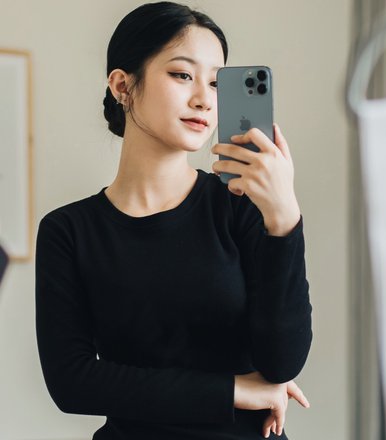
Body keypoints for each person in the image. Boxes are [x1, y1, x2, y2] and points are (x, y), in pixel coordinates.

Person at [34, 2, 313, 439]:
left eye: (216, 82)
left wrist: (284, 217)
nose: (204, 98)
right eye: (182, 75)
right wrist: (231, 391)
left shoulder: (240, 206)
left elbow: (282, 363)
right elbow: (72, 384)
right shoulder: (68, 231)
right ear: (122, 85)